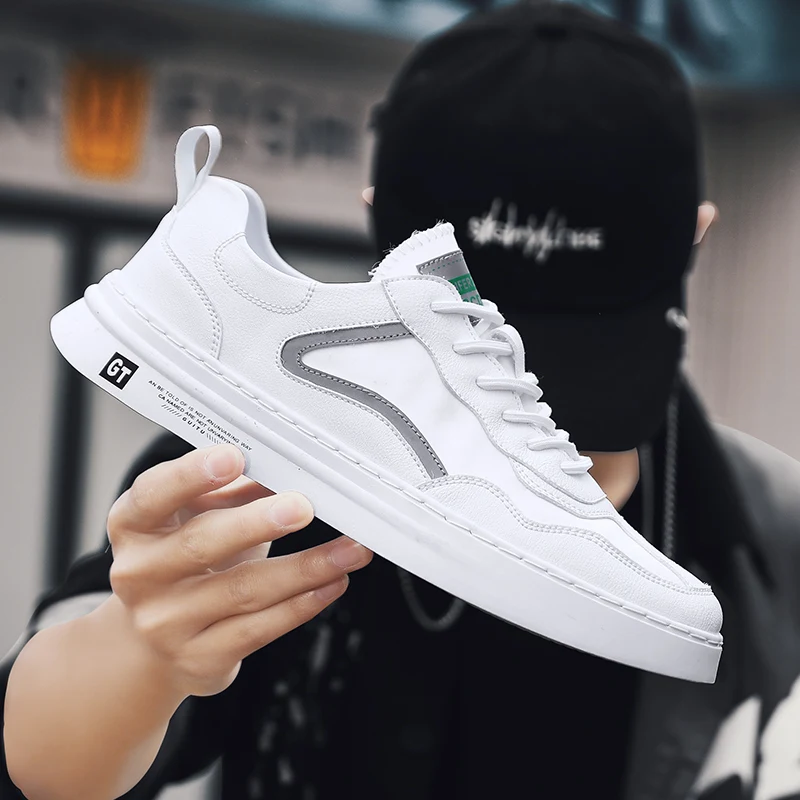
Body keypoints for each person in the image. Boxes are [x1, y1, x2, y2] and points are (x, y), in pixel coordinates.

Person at [4, 3, 800, 800]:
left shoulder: (779, 535)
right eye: (476, 330)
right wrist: (138, 654)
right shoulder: (259, 454)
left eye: (581, 338)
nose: (538, 396)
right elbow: (40, 775)